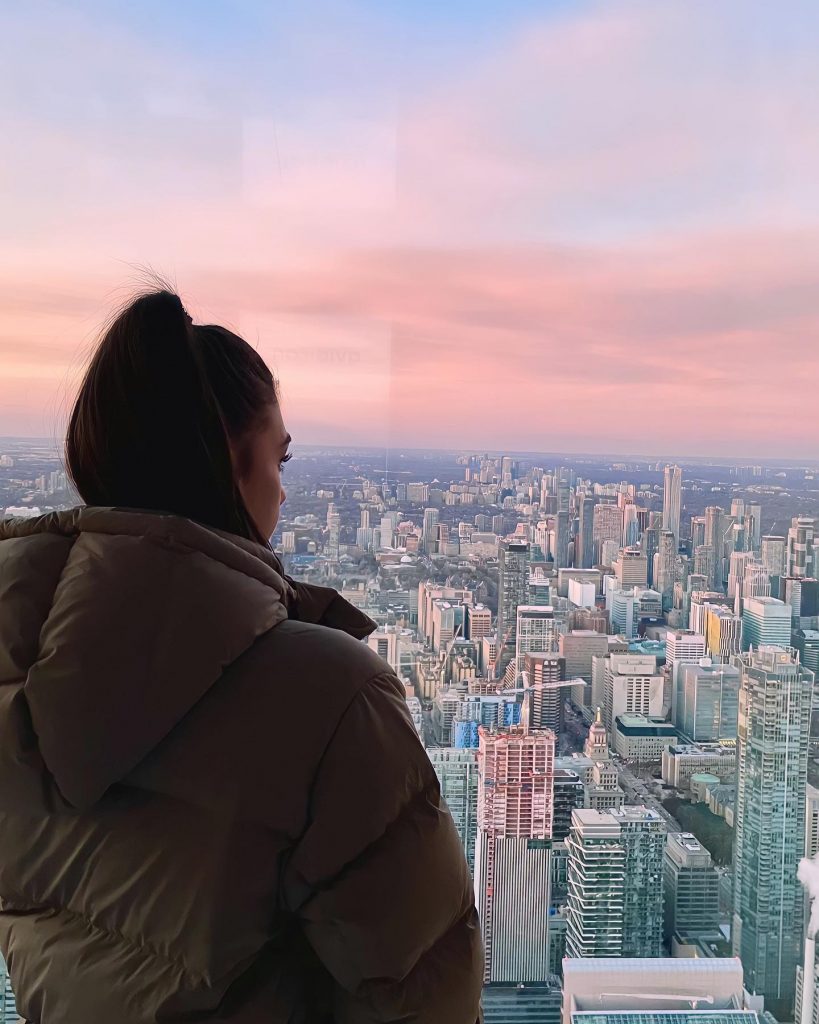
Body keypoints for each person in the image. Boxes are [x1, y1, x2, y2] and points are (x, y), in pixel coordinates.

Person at [0, 290, 483, 1023]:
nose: (282, 492)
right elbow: (419, 994)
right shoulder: (329, 699)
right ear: (232, 458)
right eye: (278, 459)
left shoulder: (15, 668)